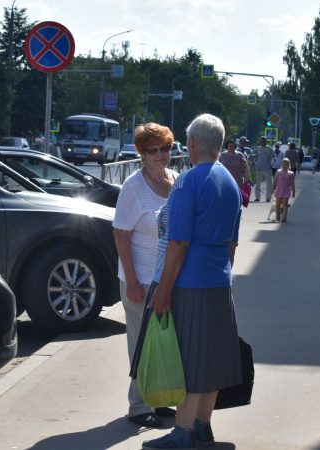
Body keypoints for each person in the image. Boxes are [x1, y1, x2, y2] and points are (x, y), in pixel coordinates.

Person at [140, 113, 243, 449]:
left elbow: (179, 242)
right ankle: (202, 426)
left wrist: (165, 290)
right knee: (211, 358)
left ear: (194, 143)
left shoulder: (187, 181)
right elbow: (232, 243)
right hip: (218, 282)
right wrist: (221, 275)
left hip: (189, 284)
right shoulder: (229, 181)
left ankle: (181, 433)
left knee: (190, 360)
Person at [113, 123, 179, 429]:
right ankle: (138, 407)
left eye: (165, 148)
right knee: (141, 343)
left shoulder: (175, 181)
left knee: (162, 342)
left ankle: (159, 398)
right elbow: (121, 234)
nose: (161, 155)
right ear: (142, 153)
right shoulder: (133, 187)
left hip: (167, 280)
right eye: (153, 150)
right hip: (139, 278)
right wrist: (133, 281)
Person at [251, 136, 274, 202]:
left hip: (267, 168)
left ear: (265, 141)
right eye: (260, 141)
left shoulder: (269, 148)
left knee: (269, 183)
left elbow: (274, 157)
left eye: (262, 141)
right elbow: (257, 156)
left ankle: (268, 197)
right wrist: (254, 162)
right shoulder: (258, 148)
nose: (261, 142)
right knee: (258, 183)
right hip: (259, 168)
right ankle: (257, 197)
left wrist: (271, 164)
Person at [272, 158, 295, 222]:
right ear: (281, 165)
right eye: (283, 164)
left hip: (286, 191)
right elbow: (275, 181)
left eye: (286, 164)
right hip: (279, 190)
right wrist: (272, 189)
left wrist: (293, 192)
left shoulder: (291, 173)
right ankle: (278, 215)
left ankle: (284, 217)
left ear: (289, 165)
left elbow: (292, 183)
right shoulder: (278, 172)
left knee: (285, 204)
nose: (284, 165)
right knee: (278, 204)